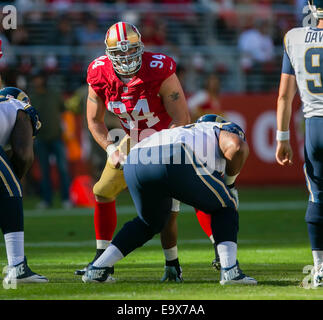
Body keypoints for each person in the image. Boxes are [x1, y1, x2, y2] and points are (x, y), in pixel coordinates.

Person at [75, 21, 217, 281]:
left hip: (169, 137)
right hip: (133, 138)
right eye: (120, 53)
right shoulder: (98, 73)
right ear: (109, 55)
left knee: (184, 200)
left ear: (141, 48)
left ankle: (216, 254)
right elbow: (94, 120)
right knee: (102, 190)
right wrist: (110, 149)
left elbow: (181, 118)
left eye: (132, 51)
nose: (127, 58)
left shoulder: (158, 68)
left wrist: (162, 150)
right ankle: (101, 259)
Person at [81, 114, 257, 285]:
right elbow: (237, 146)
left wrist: (171, 261)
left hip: (135, 157)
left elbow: (172, 210)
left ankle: (97, 268)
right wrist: (230, 186)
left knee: (149, 223)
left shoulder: (191, 135)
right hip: (174, 155)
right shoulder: (219, 130)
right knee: (226, 205)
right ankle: (230, 271)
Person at [275, 0, 323, 288]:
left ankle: (319, 269)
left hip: (315, 127)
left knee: (318, 195)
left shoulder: (293, 36)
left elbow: (283, 96)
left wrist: (282, 137)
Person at [0, 87, 48, 285]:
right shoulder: (21, 108)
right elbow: (24, 156)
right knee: (11, 191)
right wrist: (15, 180)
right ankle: (17, 266)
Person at [29, 71, 72, 209]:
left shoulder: (54, 94)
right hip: (40, 138)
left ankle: (66, 198)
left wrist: (67, 130)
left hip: (56, 137)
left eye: (39, 78)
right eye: (35, 79)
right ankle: (47, 200)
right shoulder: (32, 97)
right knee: (44, 171)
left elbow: (64, 111)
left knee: (63, 169)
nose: (37, 81)